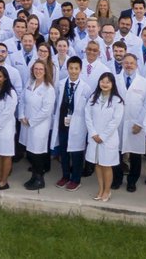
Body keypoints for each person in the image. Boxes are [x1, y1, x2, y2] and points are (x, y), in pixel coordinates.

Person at [84, 71, 124, 202]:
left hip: (108, 139)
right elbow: (87, 116)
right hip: (94, 137)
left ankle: (107, 191)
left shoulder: (118, 101)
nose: (105, 84)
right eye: (102, 81)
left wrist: (103, 136)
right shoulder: (93, 98)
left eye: (108, 82)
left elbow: (115, 121)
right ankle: (100, 189)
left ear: (112, 84)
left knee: (106, 165)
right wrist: (93, 133)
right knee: (97, 164)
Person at [19, 58, 56, 190]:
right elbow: (22, 100)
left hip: (39, 126)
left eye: (41, 69)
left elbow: (46, 110)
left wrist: (31, 121)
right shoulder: (30, 83)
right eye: (36, 69)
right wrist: (22, 115)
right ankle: (33, 177)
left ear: (45, 71)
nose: (38, 71)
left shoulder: (49, 89)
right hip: (26, 123)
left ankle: (39, 179)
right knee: (30, 152)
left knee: (37, 153)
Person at [55, 57, 87, 191]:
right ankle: (65, 175)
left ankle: (76, 179)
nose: (73, 71)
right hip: (63, 124)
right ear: (67, 69)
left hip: (78, 125)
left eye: (76, 68)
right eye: (71, 68)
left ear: (80, 70)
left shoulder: (86, 87)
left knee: (77, 154)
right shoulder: (61, 84)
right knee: (64, 151)